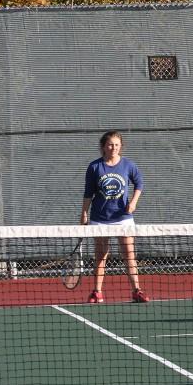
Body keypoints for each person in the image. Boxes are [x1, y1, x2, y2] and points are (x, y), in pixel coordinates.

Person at [80, 130, 150, 303]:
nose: (113, 148)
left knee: (129, 254)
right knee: (101, 255)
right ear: (104, 147)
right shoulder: (95, 167)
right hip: (100, 218)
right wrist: (84, 213)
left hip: (123, 218)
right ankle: (97, 292)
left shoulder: (128, 165)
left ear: (121, 146)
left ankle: (137, 291)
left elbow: (139, 183)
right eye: (110, 145)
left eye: (117, 145)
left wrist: (133, 203)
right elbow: (88, 193)